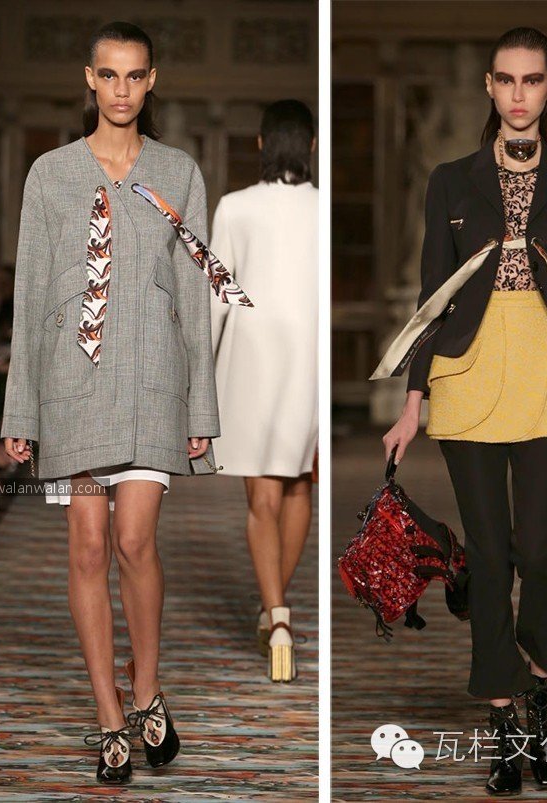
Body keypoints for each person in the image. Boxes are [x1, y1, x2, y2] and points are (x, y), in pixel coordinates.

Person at [0, 21, 237, 785]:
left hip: (150, 380)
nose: (122, 89)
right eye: (109, 75)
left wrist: (202, 410)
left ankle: (146, 689)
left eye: (135, 75)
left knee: (134, 540)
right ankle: (108, 714)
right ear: (89, 78)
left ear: (151, 80)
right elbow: (30, 292)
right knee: (86, 546)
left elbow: (195, 297)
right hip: (71, 384)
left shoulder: (178, 171)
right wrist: (20, 409)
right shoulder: (50, 174)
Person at [380, 27, 547, 796]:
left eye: (531, 79)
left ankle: (540, 686)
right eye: (505, 80)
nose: (518, 93)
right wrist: (412, 399)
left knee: (537, 546)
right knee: (487, 554)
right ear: (488, 86)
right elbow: (432, 295)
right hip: (467, 371)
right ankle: (503, 718)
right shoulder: (451, 180)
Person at [209, 100, 318, 682]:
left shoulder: (235, 207)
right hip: (306, 356)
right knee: (298, 483)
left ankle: (276, 616)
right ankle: (275, 611)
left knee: (262, 497)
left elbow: (217, 296)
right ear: (312, 146)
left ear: (261, 144)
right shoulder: (324, 210)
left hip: (251, 356)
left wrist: (198, 372)